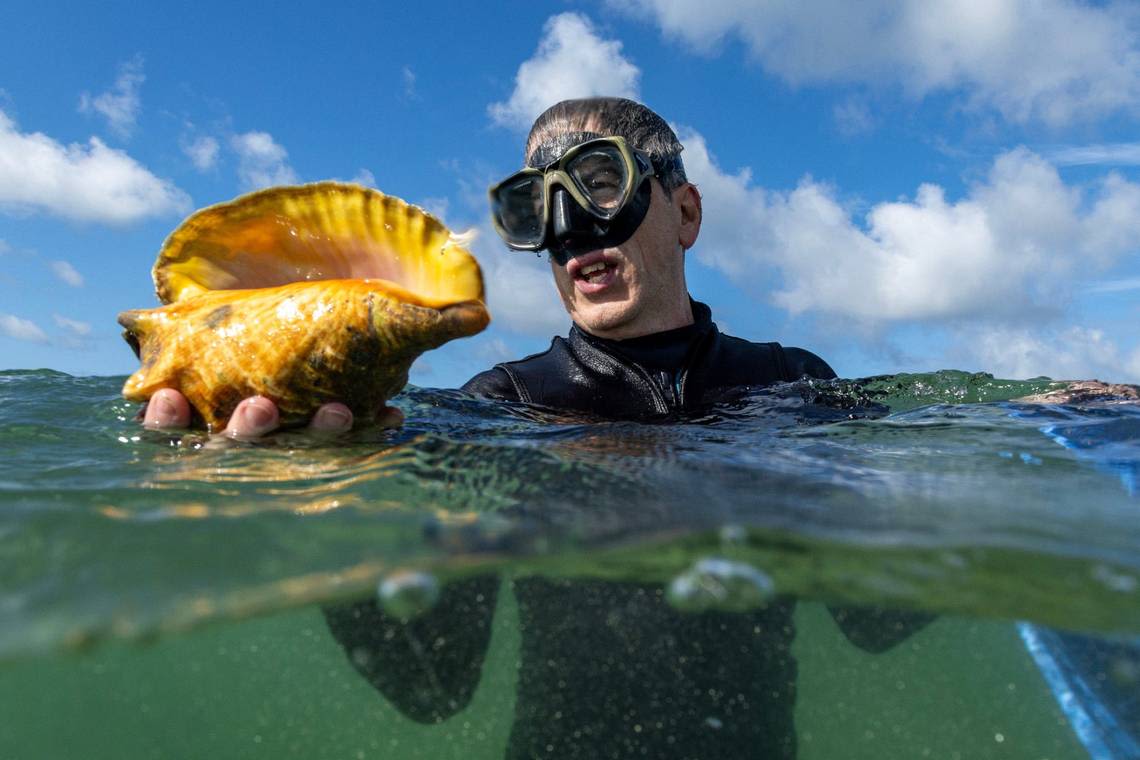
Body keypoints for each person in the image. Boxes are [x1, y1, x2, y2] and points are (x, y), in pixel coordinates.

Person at [143, 97, 929, 758]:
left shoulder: (790, 383)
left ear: (684, 211)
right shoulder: (501, 405)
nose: (570, 229)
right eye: (534, 207)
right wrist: (328, 511)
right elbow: (432, 687)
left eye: (598, 184)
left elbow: (875, 615)